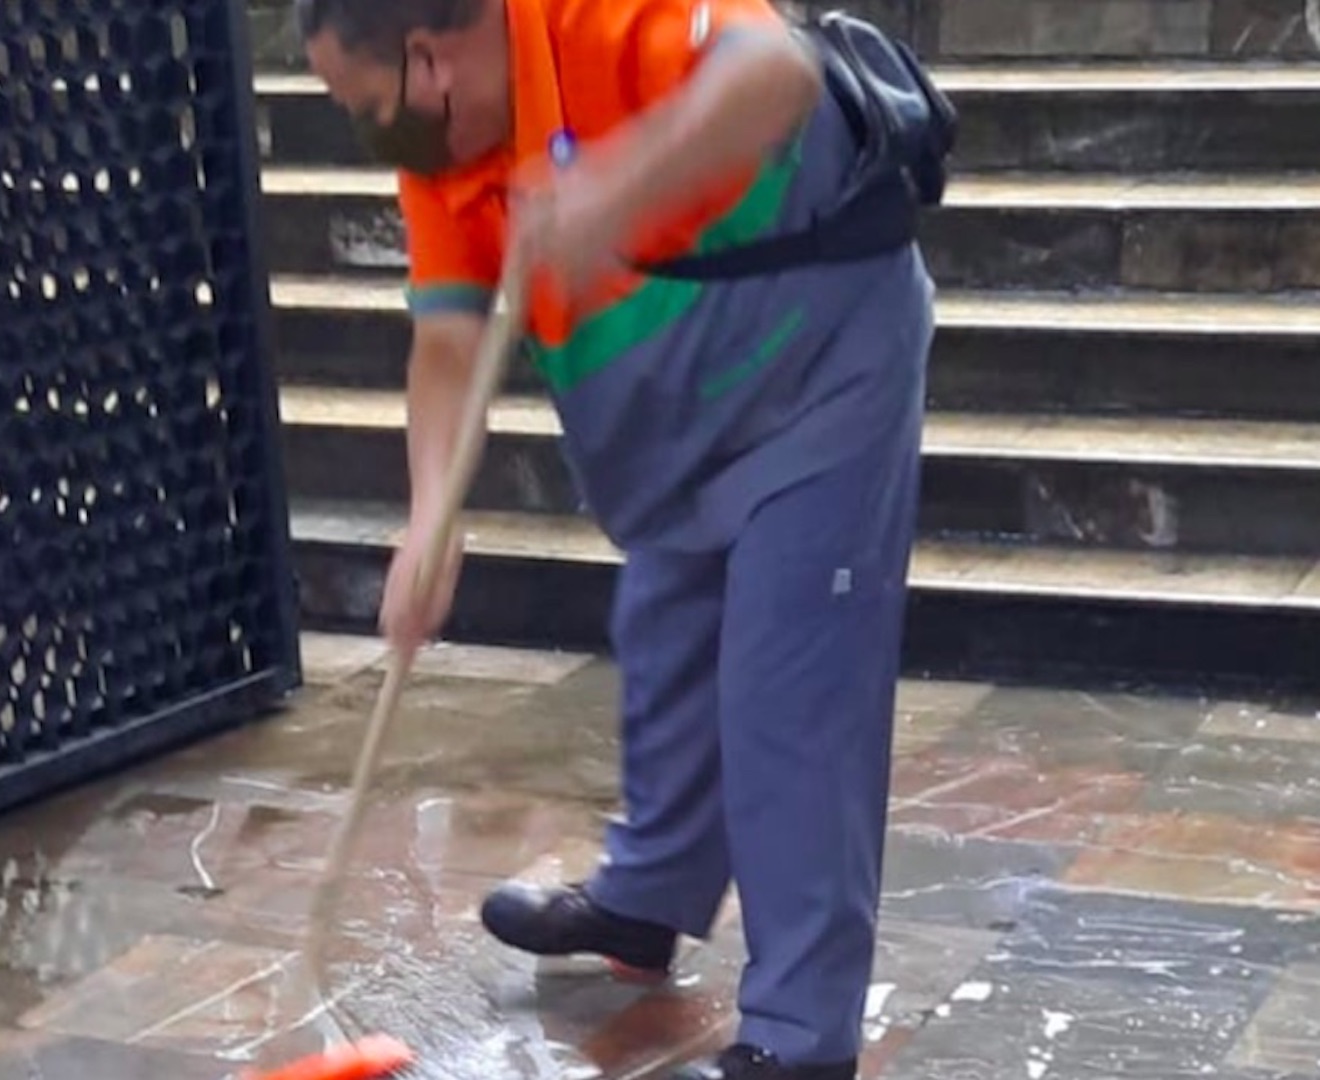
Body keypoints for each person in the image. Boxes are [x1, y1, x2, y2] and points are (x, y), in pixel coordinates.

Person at [295, 0, 937, 1077]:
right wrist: (431, 519)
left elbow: (775, 73)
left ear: (428, 62)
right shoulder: (441, 151)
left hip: (818, 379)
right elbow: (448, 337)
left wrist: (614, 187)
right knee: (667, 641)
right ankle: (649, 899)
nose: (368, 130)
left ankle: (799, 1037)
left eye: (362, 104)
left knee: (791, 697)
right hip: (674, 434)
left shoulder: (596, 14)